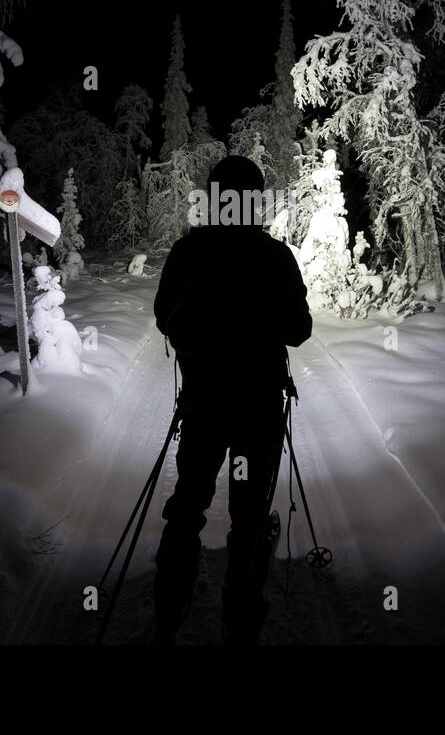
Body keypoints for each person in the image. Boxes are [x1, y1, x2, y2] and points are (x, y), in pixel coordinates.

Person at [152, 155, 312, 644]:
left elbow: (165, 318)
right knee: (249, 516)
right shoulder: (275, 256)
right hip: (257, 409)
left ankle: (168, 607)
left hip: (204, 405)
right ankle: (240, 619)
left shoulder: (188, 252)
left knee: (188, 505)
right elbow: (299, 330)